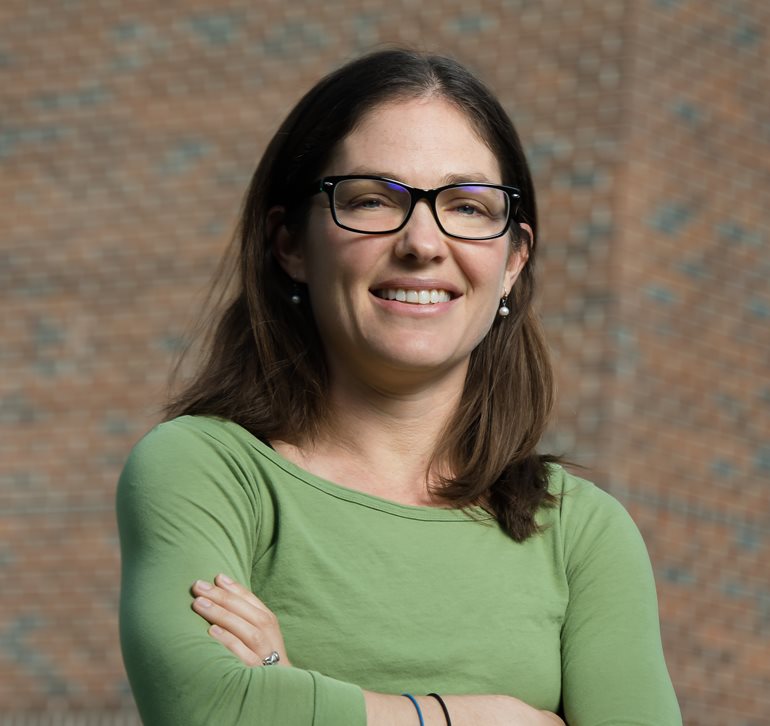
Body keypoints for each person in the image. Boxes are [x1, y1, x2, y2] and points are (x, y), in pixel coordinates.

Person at [117, 49, 682, 725]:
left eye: (468, 206)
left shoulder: (583, 534)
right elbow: (215, 710)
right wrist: (491, 718)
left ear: (513, 260)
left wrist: (295, 690)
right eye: (371, 199)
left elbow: (261, 708)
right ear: (289, 243)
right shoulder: (206, 471)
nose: (423, 242)